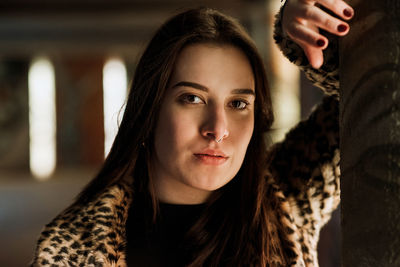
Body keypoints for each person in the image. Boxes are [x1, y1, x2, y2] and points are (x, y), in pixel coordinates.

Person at [30, 0, 353, 266]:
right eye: (192, 98)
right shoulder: (75, 250)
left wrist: (301, 36)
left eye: (238, 103)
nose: (218, 129)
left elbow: (376, 106)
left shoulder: (287, 200)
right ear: (150, 110)